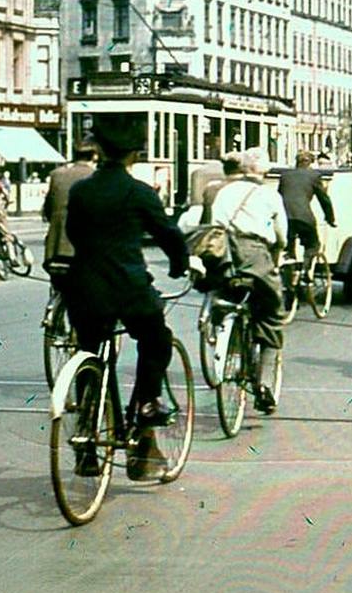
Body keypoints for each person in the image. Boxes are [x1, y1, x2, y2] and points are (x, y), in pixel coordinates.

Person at [64, 115, 189, 479]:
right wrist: (180, 265)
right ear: (135, 153)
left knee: (89, 352)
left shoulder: (80, 191)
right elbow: (169, 235)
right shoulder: (139, 192)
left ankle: (87, 432)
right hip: (127, 288)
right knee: (156, 338)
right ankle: (148, 403)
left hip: (84, 289)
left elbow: (73, 233)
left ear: (99, 149)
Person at [210, 149, 288, 414]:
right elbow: (281, 236)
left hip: (223, 258)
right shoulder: (269, 195)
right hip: (254, 256)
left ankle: (221, 333)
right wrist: (278, 254)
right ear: (264, 171)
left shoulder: (224, 192)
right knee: (272, 315)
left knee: (225, 299)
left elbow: (214, 225)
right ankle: (265, 384)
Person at [41, 145, 97, 281]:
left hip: (54, 250)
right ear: (94, 156)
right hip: (83, 252)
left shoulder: (56, 174)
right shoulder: (95, 176)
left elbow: (47, 210)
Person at [278, 150, 336, 268]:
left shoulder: (285, 176)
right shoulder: (314, 176)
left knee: (288, 245)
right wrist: (330, 218)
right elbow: (324, 199)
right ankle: (306, 271)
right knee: (312, 245)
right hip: (304, 217)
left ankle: (290, 268)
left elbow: (279, 195)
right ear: (310, 163)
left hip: (285, 217)